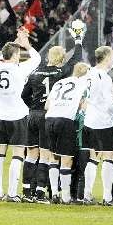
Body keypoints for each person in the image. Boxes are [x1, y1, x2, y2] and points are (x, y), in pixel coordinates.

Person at [22, 25, 85, 203]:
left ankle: (27, 191)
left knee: (30, 154)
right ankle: (41, 193)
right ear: (61, 59)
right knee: (46, 155)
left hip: (32, 115)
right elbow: (77, 60)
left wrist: (33, 106)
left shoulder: (35, 72)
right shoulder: (61, 73)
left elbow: (23, 95)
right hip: (45, 115)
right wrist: (78, 41)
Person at [79, 34, 113, 206]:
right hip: (102, 121)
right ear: (106, 58)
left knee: (93, 158)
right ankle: (108, 197)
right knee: (109, 158)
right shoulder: (105, 78)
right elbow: (110, 104)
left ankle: (87, 194)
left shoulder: (90, 73)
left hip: (88, 121)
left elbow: (107, 65)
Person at [0, 28, 41, 202]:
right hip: (18, 117)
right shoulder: (20, 69)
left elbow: (5, 54)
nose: (19, 56)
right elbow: (38, 59)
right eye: (18, 54)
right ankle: (12, 193)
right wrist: (26, 45)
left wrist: (16, 41)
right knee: (18, 154)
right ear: (14, 56)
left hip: (0, 116)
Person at [45, 62, 91, 204]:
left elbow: (47, 105)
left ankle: (54, 194)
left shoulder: (59, 82)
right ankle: (65, 197)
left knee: (53, 158)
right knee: (66, 159)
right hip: (65, 121)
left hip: (49, 119)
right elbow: (84, 107)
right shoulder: (84, 84)